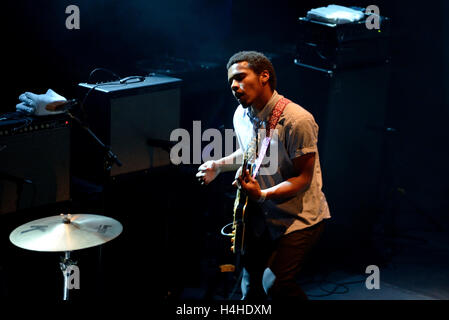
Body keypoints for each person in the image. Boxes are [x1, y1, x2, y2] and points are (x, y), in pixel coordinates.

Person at [196, 51, 330, 300]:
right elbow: (251, 152)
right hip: (261, 217)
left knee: (275, 285)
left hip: (297, 218)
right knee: (251, 288)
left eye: (240, 77)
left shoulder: (297, 120)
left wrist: (263, 194)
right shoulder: (241, 115)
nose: (234, 86)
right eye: (230, 82)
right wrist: (218, 166)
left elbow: (303, 178)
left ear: (264, 76)